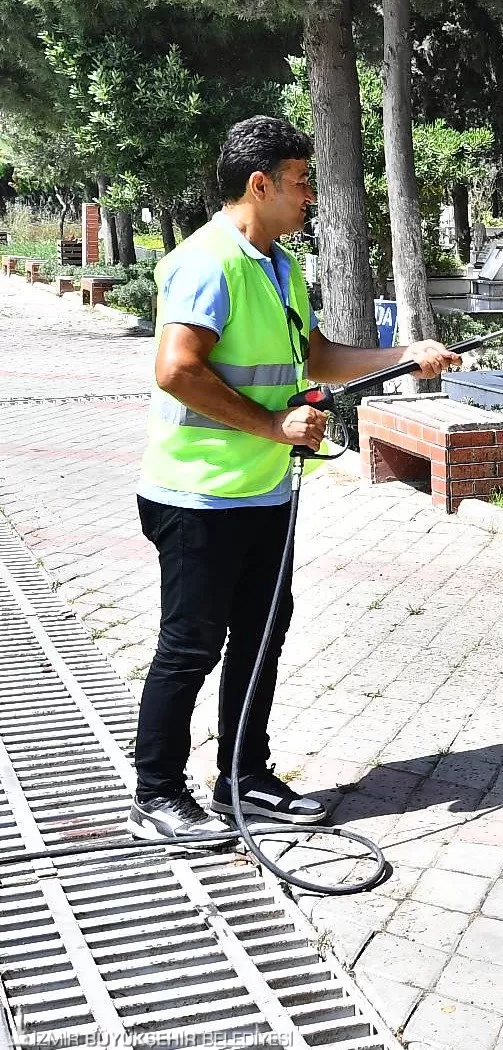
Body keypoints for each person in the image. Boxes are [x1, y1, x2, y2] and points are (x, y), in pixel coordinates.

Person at [129, 115, 461, 843]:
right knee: (190, 645)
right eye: (302, 182)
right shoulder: (207, 262)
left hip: (264, 492)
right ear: (261, 184)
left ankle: (243, 778)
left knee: (260, 634)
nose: (311, 196)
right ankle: (155, 795)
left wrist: (408, 353)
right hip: (197, 495)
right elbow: (176, 370)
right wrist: (273, 427)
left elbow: (316, 360)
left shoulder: (279, 265)